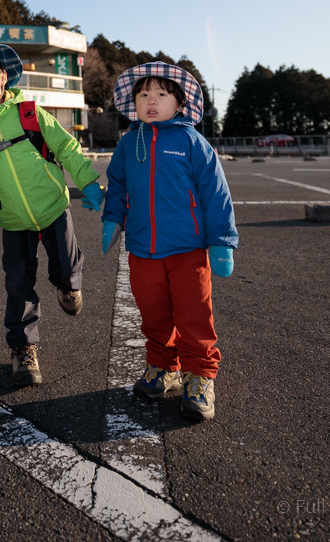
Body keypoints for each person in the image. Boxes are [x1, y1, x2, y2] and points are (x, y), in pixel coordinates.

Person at [0, 41, 105, 388]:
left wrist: (87, 181)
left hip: (54, 208)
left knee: (68, 265)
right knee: (18, 286)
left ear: (2, 78)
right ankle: (23, 349)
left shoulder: (30, 113)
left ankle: (68, 287)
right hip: (13, 222)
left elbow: (66, 147)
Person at [101, 62, 238, 421]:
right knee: (154, 314)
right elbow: (116, 185)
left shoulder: (192, 141)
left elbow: (216, 192)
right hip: (143, 250)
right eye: (143, 93)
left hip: (188, 249)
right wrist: (112, 219)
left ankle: (202, 376)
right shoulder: (129, 143)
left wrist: (221, 240)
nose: (151, 100)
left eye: (161, 94)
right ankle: (164, 367)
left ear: (179, 103)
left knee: (194, 315)